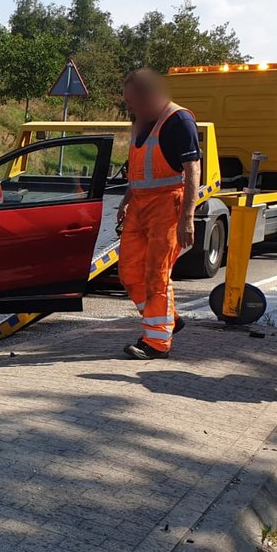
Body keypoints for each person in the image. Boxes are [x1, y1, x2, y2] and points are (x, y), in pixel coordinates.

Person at [118, 68, 202, 359]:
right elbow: (139, 169)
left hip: (167, 207)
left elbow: (193, 170)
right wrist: (126, 200)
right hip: (139, 206)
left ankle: (156, 343)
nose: (130, 107)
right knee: (129, 273)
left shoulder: (179, 120)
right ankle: (169, 320)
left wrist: (187, 217)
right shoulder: (141, 120)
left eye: (132, 101)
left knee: (157, 275)